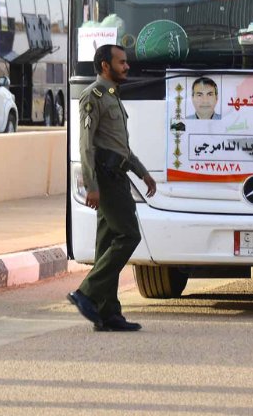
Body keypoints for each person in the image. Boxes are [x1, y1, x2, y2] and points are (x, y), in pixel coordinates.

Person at [66, 44, 157, 332]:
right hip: (105, 178)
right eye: (121, 62)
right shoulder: (92, 96)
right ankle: (86, 292)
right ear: (105, 65)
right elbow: (86, 144)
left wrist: (143, 174)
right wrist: (91, 185)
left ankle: (108, 313)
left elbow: (121, 148)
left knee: (107, 243)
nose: (127, 66)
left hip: (118, 173)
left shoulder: (112, 96)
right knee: (128, 235)